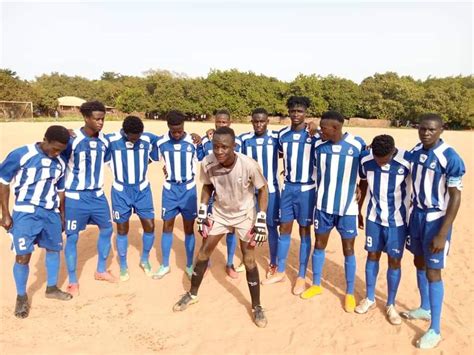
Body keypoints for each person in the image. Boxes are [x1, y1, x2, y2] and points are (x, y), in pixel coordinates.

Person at [172, 127, 269, 328]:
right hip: (220, 213)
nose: (219, 151)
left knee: (249, 259)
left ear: (234, 146)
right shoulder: (207, 162)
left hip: (245, 214)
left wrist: (261, 217)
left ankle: (257, 306)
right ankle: (192, 294)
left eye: (225, 147)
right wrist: (202, 209)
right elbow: (208, 186)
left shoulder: (248, 165)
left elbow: (263, 189)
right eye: (216, 146)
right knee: (203, 254)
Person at [402, 113, 465, 349]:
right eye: (422, 128)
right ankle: (425, 307)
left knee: (434, 272)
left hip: (436, 220)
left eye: (431, 129)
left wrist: (442, 232)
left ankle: (435, 329)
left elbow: (456, 197)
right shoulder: (416, 150)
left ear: (441, 130)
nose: (426, 133)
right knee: (419, 262)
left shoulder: (449, 157)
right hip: (416, 216)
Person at [0, 125, 73, 318]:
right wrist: (5, 213)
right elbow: (3, 181)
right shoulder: (22, 154)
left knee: (54, 249)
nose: (57, 153)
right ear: (45, 140)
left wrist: (62, 215)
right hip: (26, 213)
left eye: (61, 150)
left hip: (50, 213)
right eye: (55, 148)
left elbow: (60, 190)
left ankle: (51, 287)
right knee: (23, 256)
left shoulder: (60, 162)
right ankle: (21, 297)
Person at [300, 110, 366, 314]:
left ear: (336, 128)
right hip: (323, 207)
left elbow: (364, 176)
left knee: (348, 249)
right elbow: (315, 170)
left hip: (347, 209)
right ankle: (317, 284)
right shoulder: (319, 146)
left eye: (324, 127)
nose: (321, 130)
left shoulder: (357, 145)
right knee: (319, 245)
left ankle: (349, 293)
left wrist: (360, 203)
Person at [262, 96, 318, 295]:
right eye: (293, 111)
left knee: (304, 231)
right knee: (284, 228)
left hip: (307, 190)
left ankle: (301, 275)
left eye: (300, 111)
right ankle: (281, 270)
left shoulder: (313, 134)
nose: (296, 114)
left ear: (306, 113)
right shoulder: (282, 135)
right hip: (287, 188)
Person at [355, 135, 411, 325]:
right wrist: (359, 209)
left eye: (384, 160)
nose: (379, 163)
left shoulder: (406, 160)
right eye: (376, 159)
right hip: (374, 219)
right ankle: (370, 298)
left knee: (394, 261)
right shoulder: (365, 159)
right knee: (372, 256)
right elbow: (362, 182)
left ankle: (391, 304)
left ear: (392, 152)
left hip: (397, 221)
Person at [62, 101, 115, 296]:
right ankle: (73, 281)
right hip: (76, 197)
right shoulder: (71, 139)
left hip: (98, 195)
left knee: (107, 229)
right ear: (86, 118)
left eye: (103, 118)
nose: (101, 122)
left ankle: (100, 270)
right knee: (72, 237)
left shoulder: (105, 141)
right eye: (97, 119)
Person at [106, 116, 160, 281]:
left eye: (138, 137)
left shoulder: (148, 138)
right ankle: (123, 264)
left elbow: (165, 141)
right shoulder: (111, 140)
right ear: (124, 132)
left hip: (142, 190)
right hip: (121, 191)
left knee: (150, 226)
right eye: (132, 137)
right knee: (122, 229)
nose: (135, 140)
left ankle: (144, 259)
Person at [152, 110, 202, 279]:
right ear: (168, 127)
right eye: (173, 131)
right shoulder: (161, 142)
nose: (177, 134)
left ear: (184, 126)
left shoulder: (193, 141)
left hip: (188, 190)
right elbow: (150, 154)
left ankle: (188, 265)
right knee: (167, 227)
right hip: (170, 190)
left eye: (180, 130)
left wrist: (202, 139)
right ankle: (165, 265)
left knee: (189, 228)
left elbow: (202, 157)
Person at [200, 109, 242, 278]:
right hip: (212, 190)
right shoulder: (204, 141)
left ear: (229, 123)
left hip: (231, 192)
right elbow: (201, 162)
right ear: (214, 122)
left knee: (231, 229)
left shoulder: (237, 142)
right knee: (207, 226)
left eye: (224, 122)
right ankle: (206, 262)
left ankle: (230, 263)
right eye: (218, 122)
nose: (221, 125)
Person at [240, 108, 280, 278]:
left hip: (270, 190)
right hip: (249, 192)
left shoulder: (276, 138)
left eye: (262, 121)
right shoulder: (244, 140)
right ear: (252, 122)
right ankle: (247, 259)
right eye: (255, 121)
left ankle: (274, 262)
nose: (258, 124)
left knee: (270, 226)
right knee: (247, 226)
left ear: (267, 121)